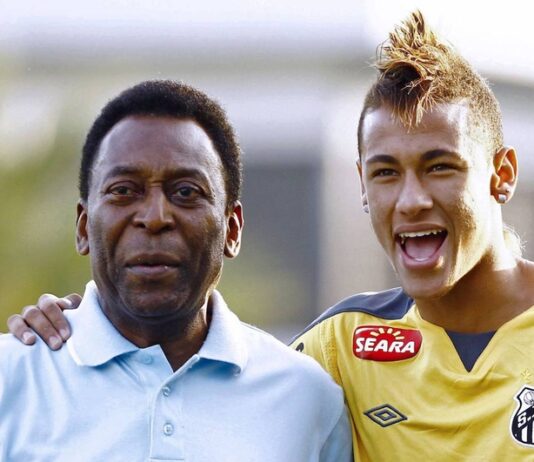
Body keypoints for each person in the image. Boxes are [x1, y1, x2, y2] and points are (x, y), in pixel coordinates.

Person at [10, 11, 534, 460]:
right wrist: (76, 323)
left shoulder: (309, 381)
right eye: (385, 172)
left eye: (440, 167)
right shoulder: (337, 349)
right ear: (362, 185)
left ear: (503, 174)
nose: (411, 199)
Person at [0, 80, 352, 461]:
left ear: (232, 230)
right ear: (84, 227)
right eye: (123, 190)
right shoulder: (11, 379)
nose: (155, 218)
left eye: (186, 192)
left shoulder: (306, 398)